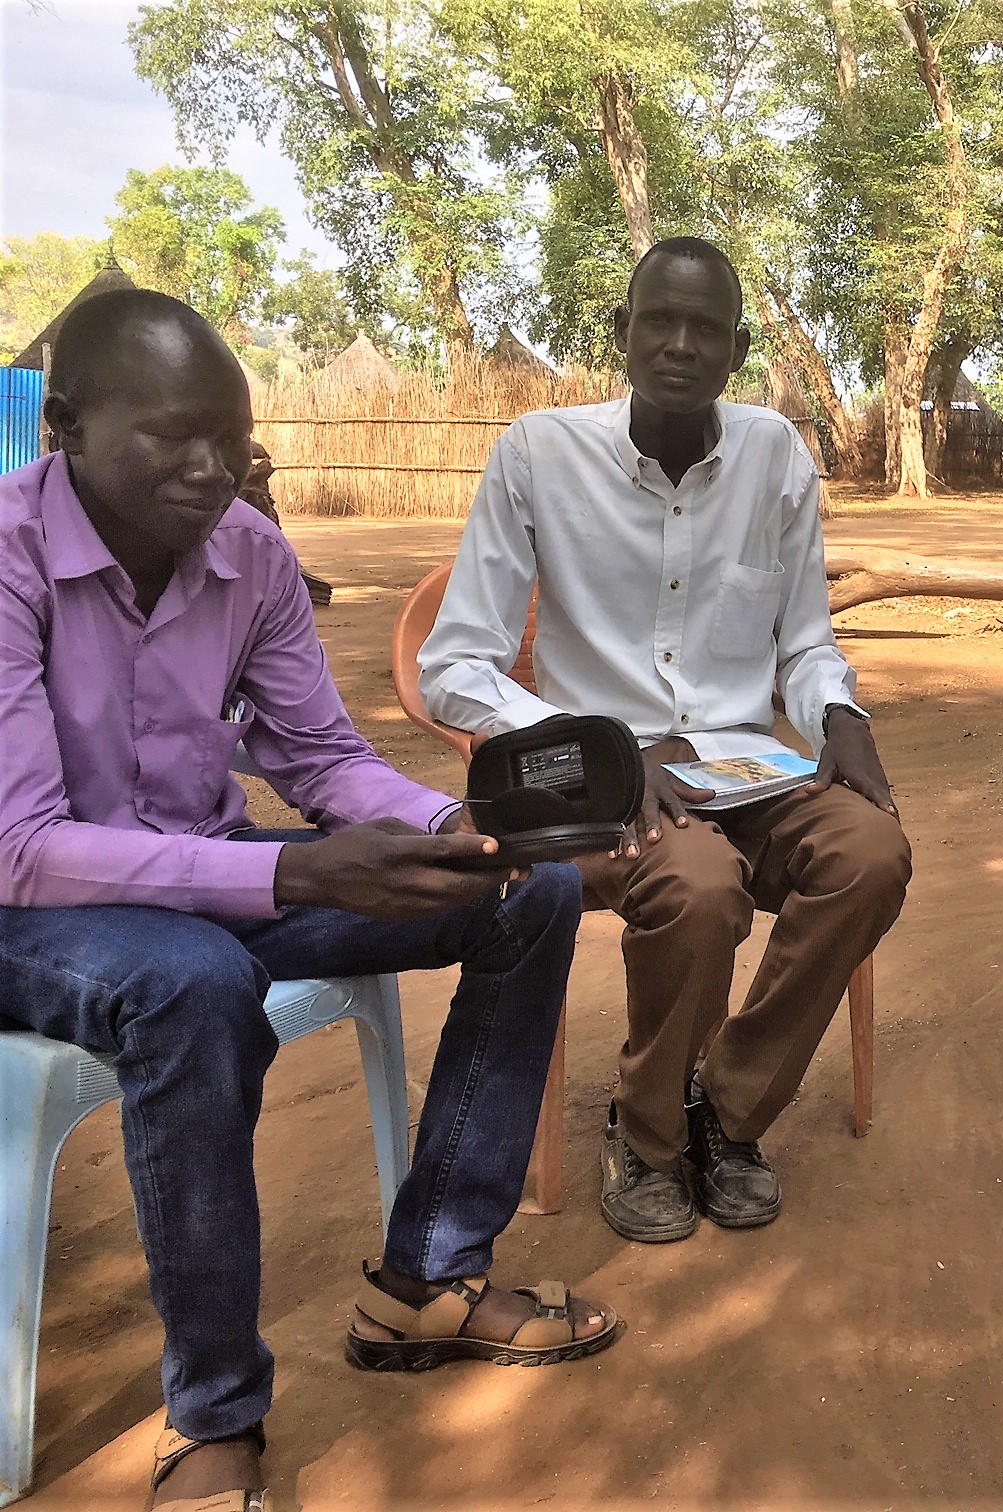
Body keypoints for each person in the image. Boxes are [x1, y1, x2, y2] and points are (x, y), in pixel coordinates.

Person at [0, 290, 619, 1512]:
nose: (211, 469)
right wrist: (288, 871)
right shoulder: (6, 559)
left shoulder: (251, 553)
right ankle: (216, 1410)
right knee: (194, 981)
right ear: (65, 427)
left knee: (525, 889)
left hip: (212, 875)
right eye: (172, 438)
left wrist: (453, 828)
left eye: (231, 440)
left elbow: (322, 759)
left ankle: (426, 1279)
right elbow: (22, 847)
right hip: (35, 913)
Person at [419, 236, 910, 1244]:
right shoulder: (539, 454)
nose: (681, 345)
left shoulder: (774, 454)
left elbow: (807, 646)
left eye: (706, 330)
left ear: (736, 348)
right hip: (599, 782)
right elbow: (456, 669)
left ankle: (722, 1110)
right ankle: (644, 1136)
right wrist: (602, 745)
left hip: (742, 766)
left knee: (871, 854)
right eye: (660, 322)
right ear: (622, 334)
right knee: (698, 884)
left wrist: (843, 716)